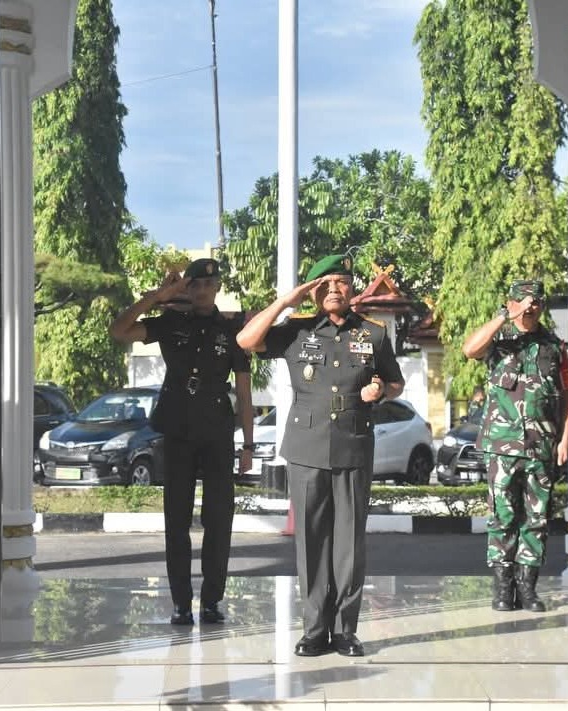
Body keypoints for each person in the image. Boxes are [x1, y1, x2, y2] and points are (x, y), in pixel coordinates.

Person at [236, 254, 404, 657]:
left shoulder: (373, 333)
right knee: (311, 542)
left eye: (341, 282)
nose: (334, 290)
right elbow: (246, 341)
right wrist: (286, 301)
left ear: (351, 287)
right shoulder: (296, 329)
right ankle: (314, 629)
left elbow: (396, 382)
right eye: (324, 285)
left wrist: (381, 391)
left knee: (349, 542)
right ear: (312, 291)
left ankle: (345, 631)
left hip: (353, 444)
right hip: (307, 446)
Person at [109, 257, 253, 626]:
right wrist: (158, 295)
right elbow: (120, 331)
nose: (202, 290)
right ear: (186, 288)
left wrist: (248, 445)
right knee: (176, 520)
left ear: (218, 288)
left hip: (217, 432)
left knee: (218, 519)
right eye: (195, 285)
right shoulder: (170, 323)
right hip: (177, 430)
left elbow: (244, 391)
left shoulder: (232, 330)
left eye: (208, 284)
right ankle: (180, 603)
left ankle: (212, 601)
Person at [462, 279, 568, 613]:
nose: (530, 307)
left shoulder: (555, 347)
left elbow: (567, 397)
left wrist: (565, 439)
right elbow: (470, 350)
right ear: (510, 303)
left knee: (537, 519)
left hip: (541, 446)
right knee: (502, 516)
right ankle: (502, 588)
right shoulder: (498, 341)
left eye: (536, 302)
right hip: (501, 446)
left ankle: (527, 589)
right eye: (524, 301)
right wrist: (503, 317)